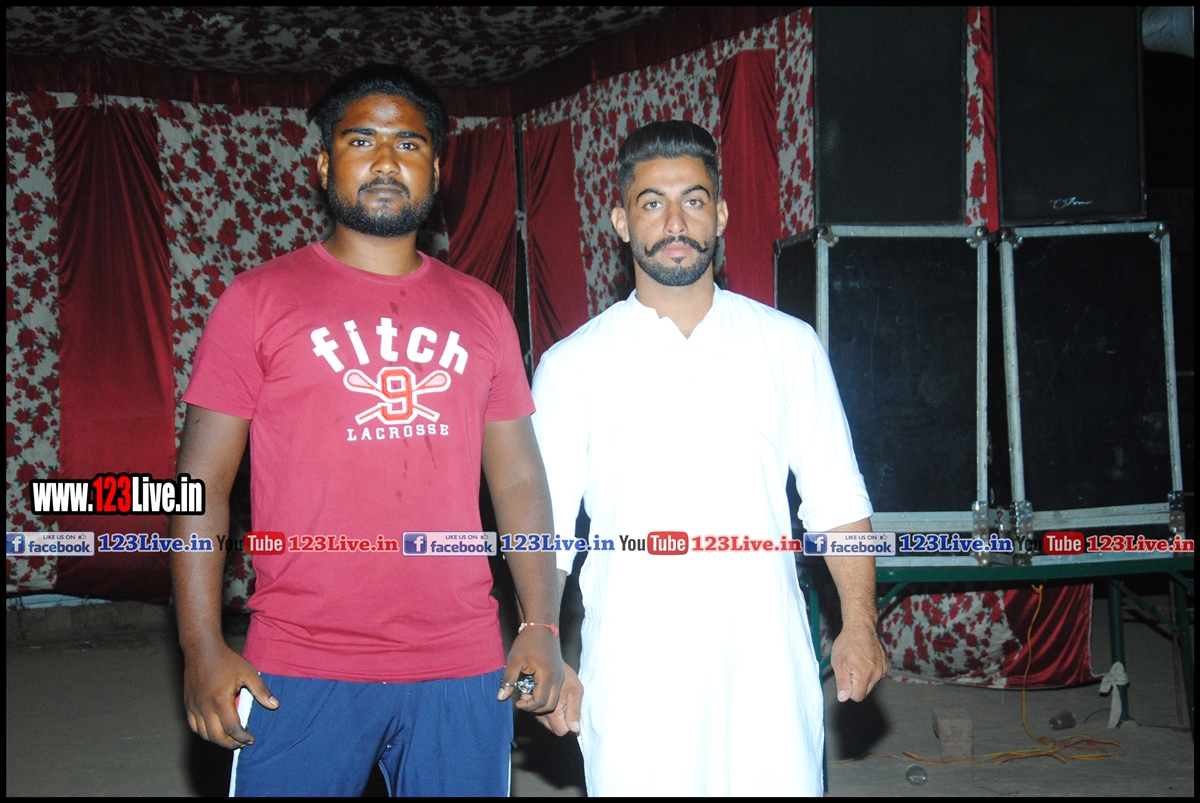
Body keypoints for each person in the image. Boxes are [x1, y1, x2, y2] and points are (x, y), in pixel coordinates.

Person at [168, 64, 564, 797]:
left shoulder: (482, 310)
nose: (386, 161)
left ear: (436, 171)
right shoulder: (257, 301)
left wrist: (540, 623)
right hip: (299, 660)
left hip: (460, 658)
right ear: (323, 164)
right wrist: (200, 644)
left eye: (409, 144)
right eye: (361, 141)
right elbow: (199, 483)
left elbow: (517, 477)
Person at [530, 120, 888, 795]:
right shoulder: (571, 366)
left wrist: (859, 623)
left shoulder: (787, 345)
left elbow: (837, 498)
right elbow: (543, 533)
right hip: (636, 670)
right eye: (652, 203)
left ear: (720, 214)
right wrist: (541, 637)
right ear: (620, 222)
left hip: (767, 664)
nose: (675, 222)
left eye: (693, 200)